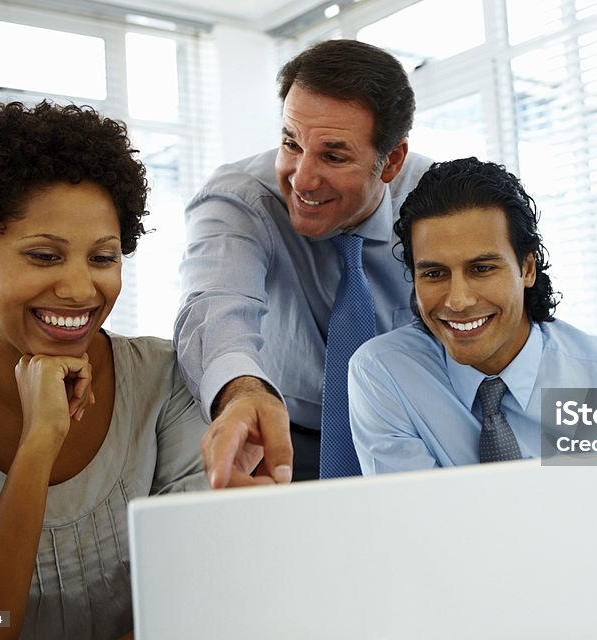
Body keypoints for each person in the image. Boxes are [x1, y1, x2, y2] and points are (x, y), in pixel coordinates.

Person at [347, 157, 597, 640]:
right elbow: (425, 552)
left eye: (482, 268)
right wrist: (587, 578)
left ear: (526, 267)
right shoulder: (384, 374)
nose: (457, 300)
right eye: (434, 273)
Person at [0, 101, 207, 639]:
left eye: (102, 258)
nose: (81, 290)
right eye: (43, 256)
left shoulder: (167, 377)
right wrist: (38, 446)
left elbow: (192, 597)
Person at [174, 39, 433, 486]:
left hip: (417, 429)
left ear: (390, 161)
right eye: (291, 143)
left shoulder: (441, 202)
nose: (302, 178)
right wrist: (242, 391)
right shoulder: (241, 198)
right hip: (283, 436)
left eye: (333, 155)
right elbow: (214, 307)